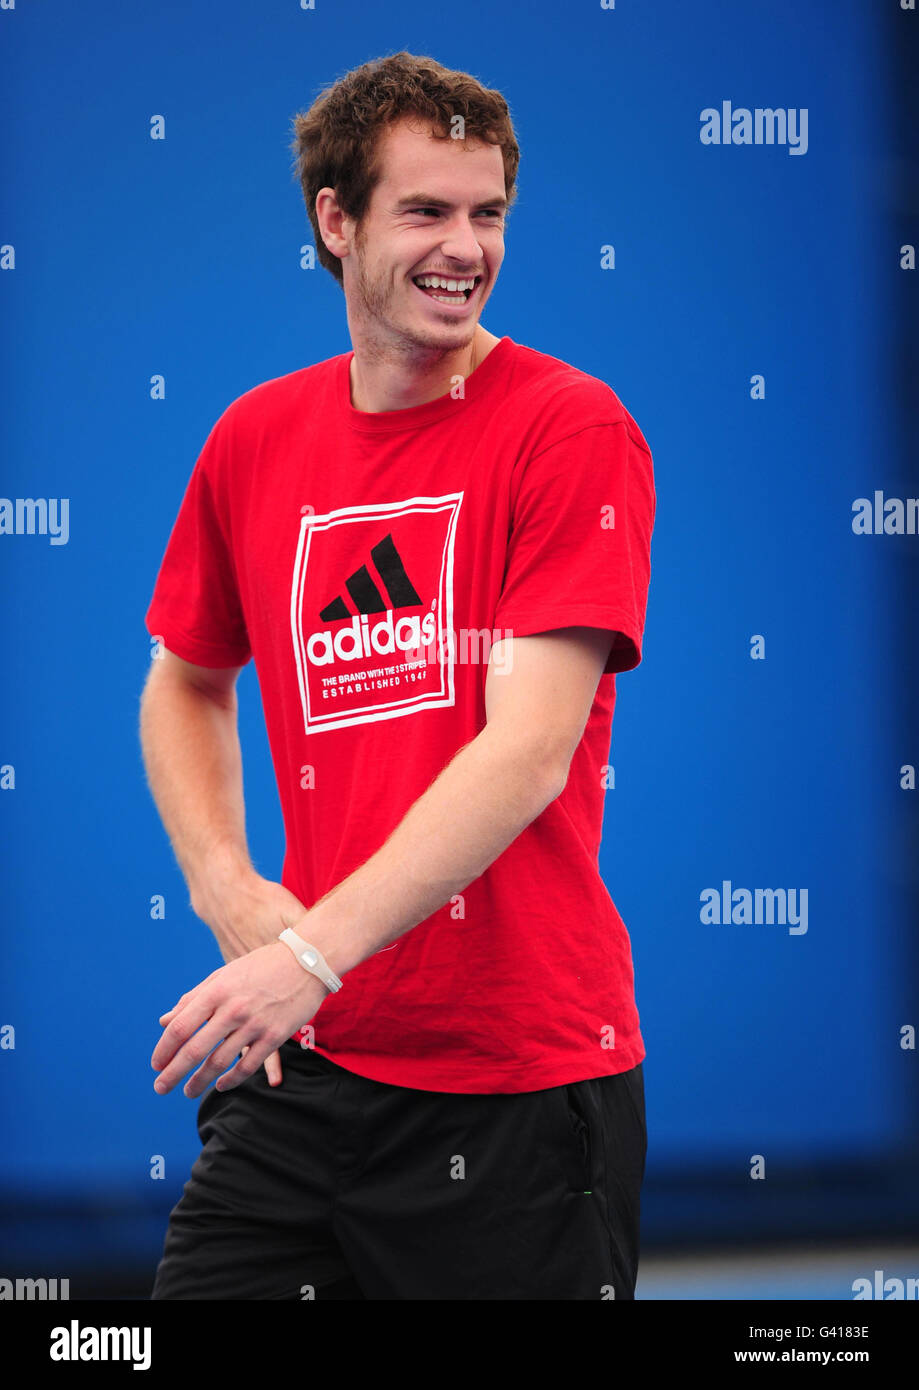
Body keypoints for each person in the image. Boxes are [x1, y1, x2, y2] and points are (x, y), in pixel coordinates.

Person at [141, 50, 656, 1301]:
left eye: (487, 214)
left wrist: (305, 956)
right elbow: (184, 679)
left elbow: (528, 749)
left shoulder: (571, 427)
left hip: (517, 1085)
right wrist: (227, 887)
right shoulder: (256, 437)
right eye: (425, 210)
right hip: (302, 1071)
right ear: (337, 219)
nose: (464, 246)